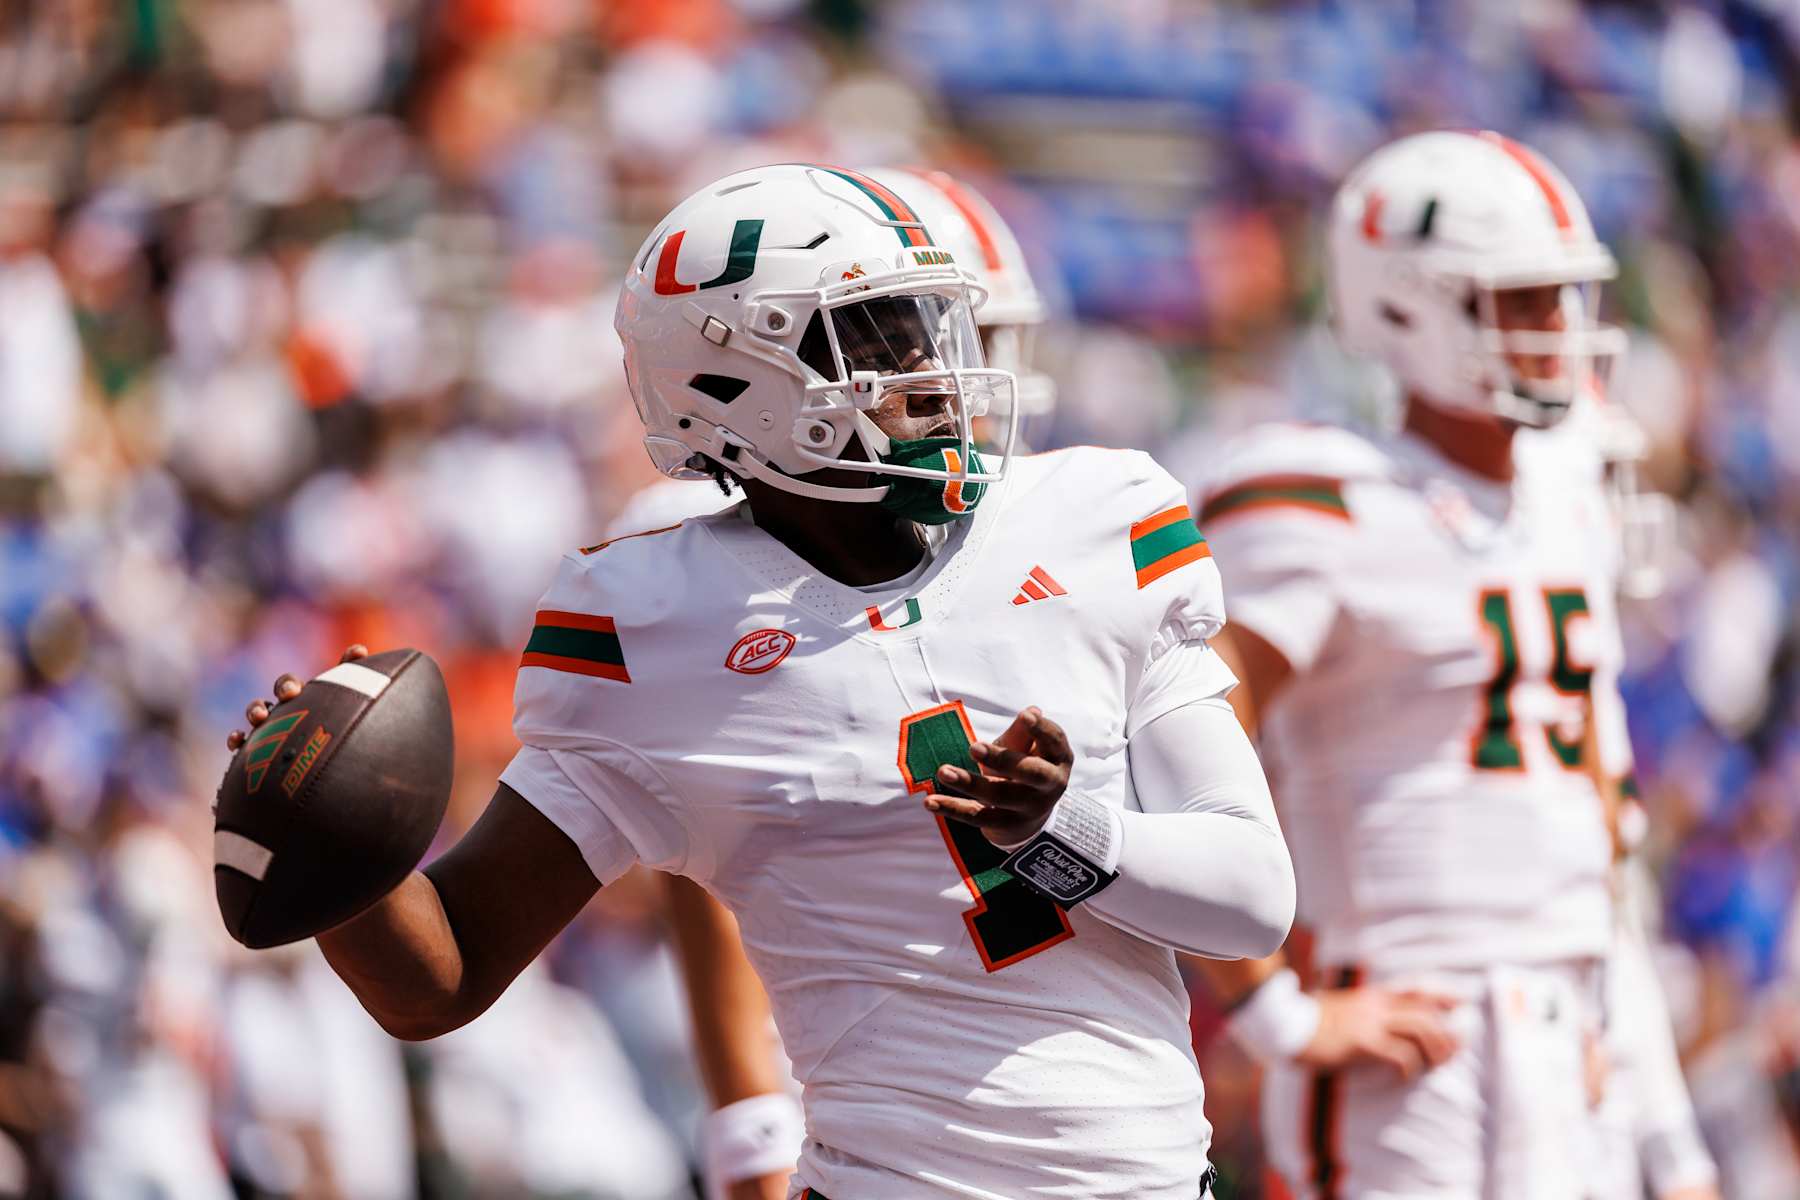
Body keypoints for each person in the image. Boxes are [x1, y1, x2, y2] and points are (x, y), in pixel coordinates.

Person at [229, 162, 1295, 1200]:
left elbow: (1252, 899)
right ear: (734, 382)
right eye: (876, 340)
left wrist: (1063, 827)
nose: (930, 371)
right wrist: (327, 838)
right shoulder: (657, 626)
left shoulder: (1093, 519)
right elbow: (442, 974)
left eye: (927, 328)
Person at [1181, 129, 1712, 1198]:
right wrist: (1273, 1009)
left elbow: (1604, 843)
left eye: (1563, 299)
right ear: (1402, 305)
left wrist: (1670, 1138)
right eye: (1520, 301)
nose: (1557, 332)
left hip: (1579, 1028)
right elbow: (1172, 734)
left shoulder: (1567, 490)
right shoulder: (1321, 498)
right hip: (1409, 1030)